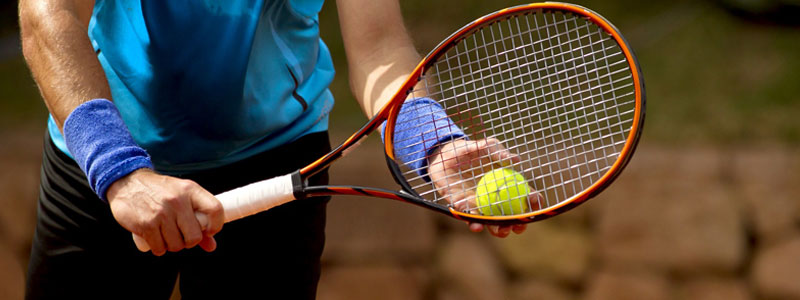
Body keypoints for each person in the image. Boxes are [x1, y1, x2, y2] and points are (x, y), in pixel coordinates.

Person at [19, 0, 527, 298]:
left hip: (277, 159)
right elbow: (48, 14)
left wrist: (430, 141)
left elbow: (380, 48)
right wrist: (118, 170)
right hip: (99, 162)